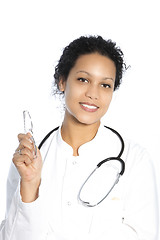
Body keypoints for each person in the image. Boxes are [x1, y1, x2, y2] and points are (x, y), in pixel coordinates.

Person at [0, 35, 159, 240]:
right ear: (62, 81)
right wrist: (30, 183)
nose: (93, 93)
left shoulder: (135, 160)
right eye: (83, 79)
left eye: (105, 85)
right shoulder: (27, 161)